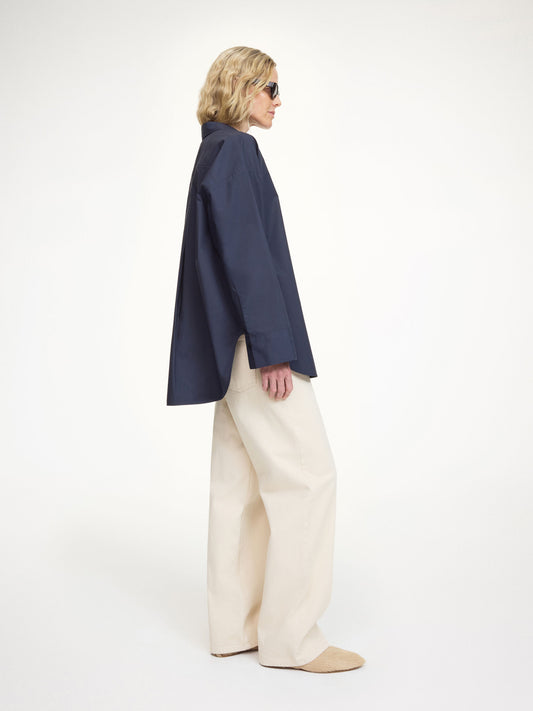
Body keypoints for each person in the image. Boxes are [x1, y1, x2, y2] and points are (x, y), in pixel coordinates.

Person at [166, 46, 365, 673]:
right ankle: (293, 639)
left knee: (241, 485)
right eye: (271, 88)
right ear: (242, 86)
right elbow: (247, 259)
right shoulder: (237, 151)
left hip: (228, 348)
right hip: (254, 349)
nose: (279, 101)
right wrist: (273, 350)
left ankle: (236, 628)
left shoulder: (212, 151)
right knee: (309, 477)